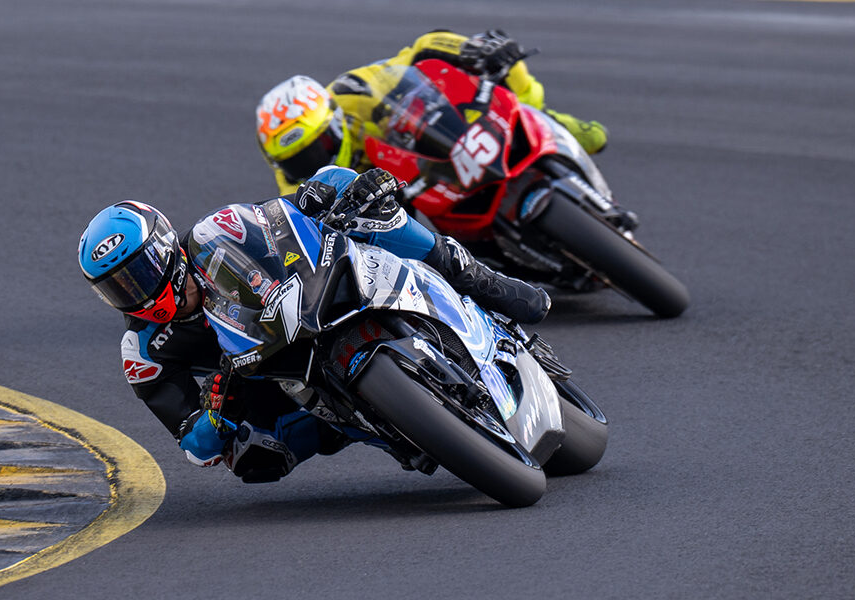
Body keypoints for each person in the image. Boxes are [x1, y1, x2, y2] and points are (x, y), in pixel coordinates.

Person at [77, 167, 549, 482]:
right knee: (251, 460)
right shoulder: (144, 351)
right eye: (118, 289)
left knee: (345, 187)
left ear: (164, 248)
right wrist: (215, 414)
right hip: (264, 377)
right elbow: (194, 446)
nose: (136, 293)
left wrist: (322, 197)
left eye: (139, 274)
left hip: (303, 300)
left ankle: (473, 276)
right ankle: (383, 423)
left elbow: (279, 216)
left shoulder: (214, 233)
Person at [256, 29, 610, 195]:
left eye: (316, 149)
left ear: (333, 121)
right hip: (401, 197)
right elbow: (304, 227)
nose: (311, 165)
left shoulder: (354, 91)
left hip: (435, 137)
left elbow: (420, 50)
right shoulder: (295, 186)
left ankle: (547, 121)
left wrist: (472, 50)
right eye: (296, 162)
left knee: (507, 68)